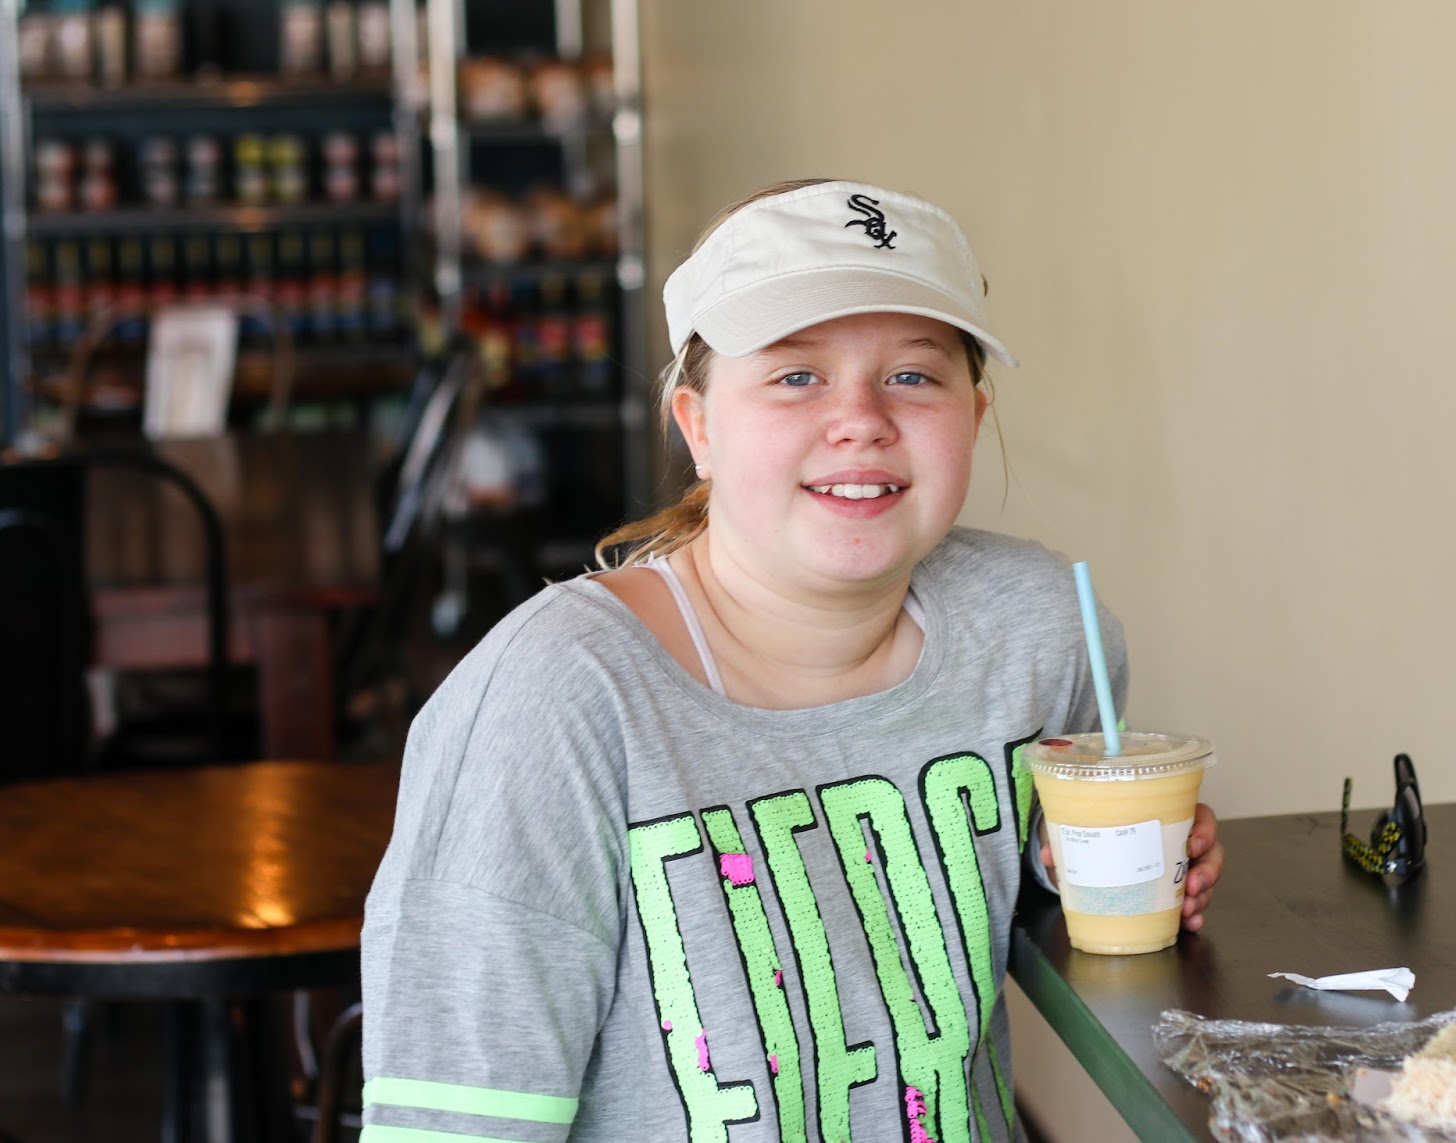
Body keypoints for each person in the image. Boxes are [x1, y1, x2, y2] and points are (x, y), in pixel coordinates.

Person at [360, 178, 1224, 1142]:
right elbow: (456, 1120)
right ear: (699, 426)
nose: (861, 417)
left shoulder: (1039, 626)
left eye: (913, 374)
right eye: (796, 375)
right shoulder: (553, 701)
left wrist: (1092, 861)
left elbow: (1018, 883)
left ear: (974, 417)